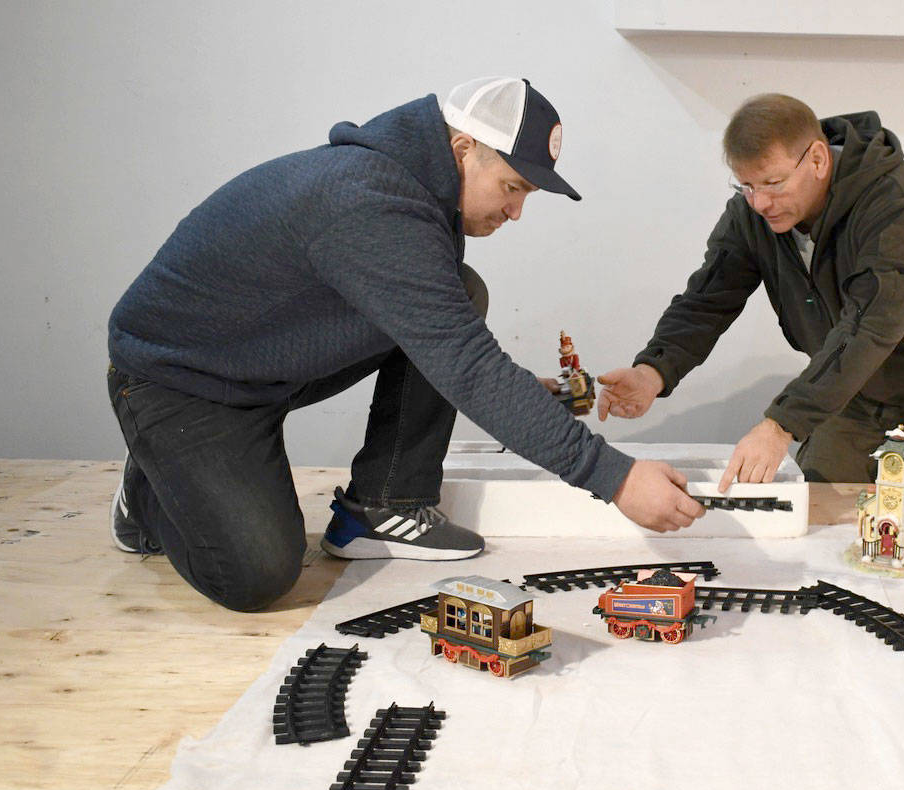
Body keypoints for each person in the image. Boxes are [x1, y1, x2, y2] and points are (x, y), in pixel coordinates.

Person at [107, 77, 703, 612]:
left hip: (261, 363)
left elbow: (447, 333)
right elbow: (465, 364)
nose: (517, 212)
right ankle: (148, 498)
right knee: (258, 577)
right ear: (464, 148)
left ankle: (385, 504)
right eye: (513, 187)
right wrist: (614, 477)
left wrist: (526, 393)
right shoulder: (370, 202)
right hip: (180, 381)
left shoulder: (421, 195)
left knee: (459, 293)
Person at [597, 93, 904, 489]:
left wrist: (781, 425)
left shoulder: (898, 200)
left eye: (773, 182)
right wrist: (653, 371)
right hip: (848, 392)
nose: (760, 202)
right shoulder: (753, 214)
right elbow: (706, 299)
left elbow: (870, 325)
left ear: (816, 158)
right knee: (816, 522)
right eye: (745, 186)